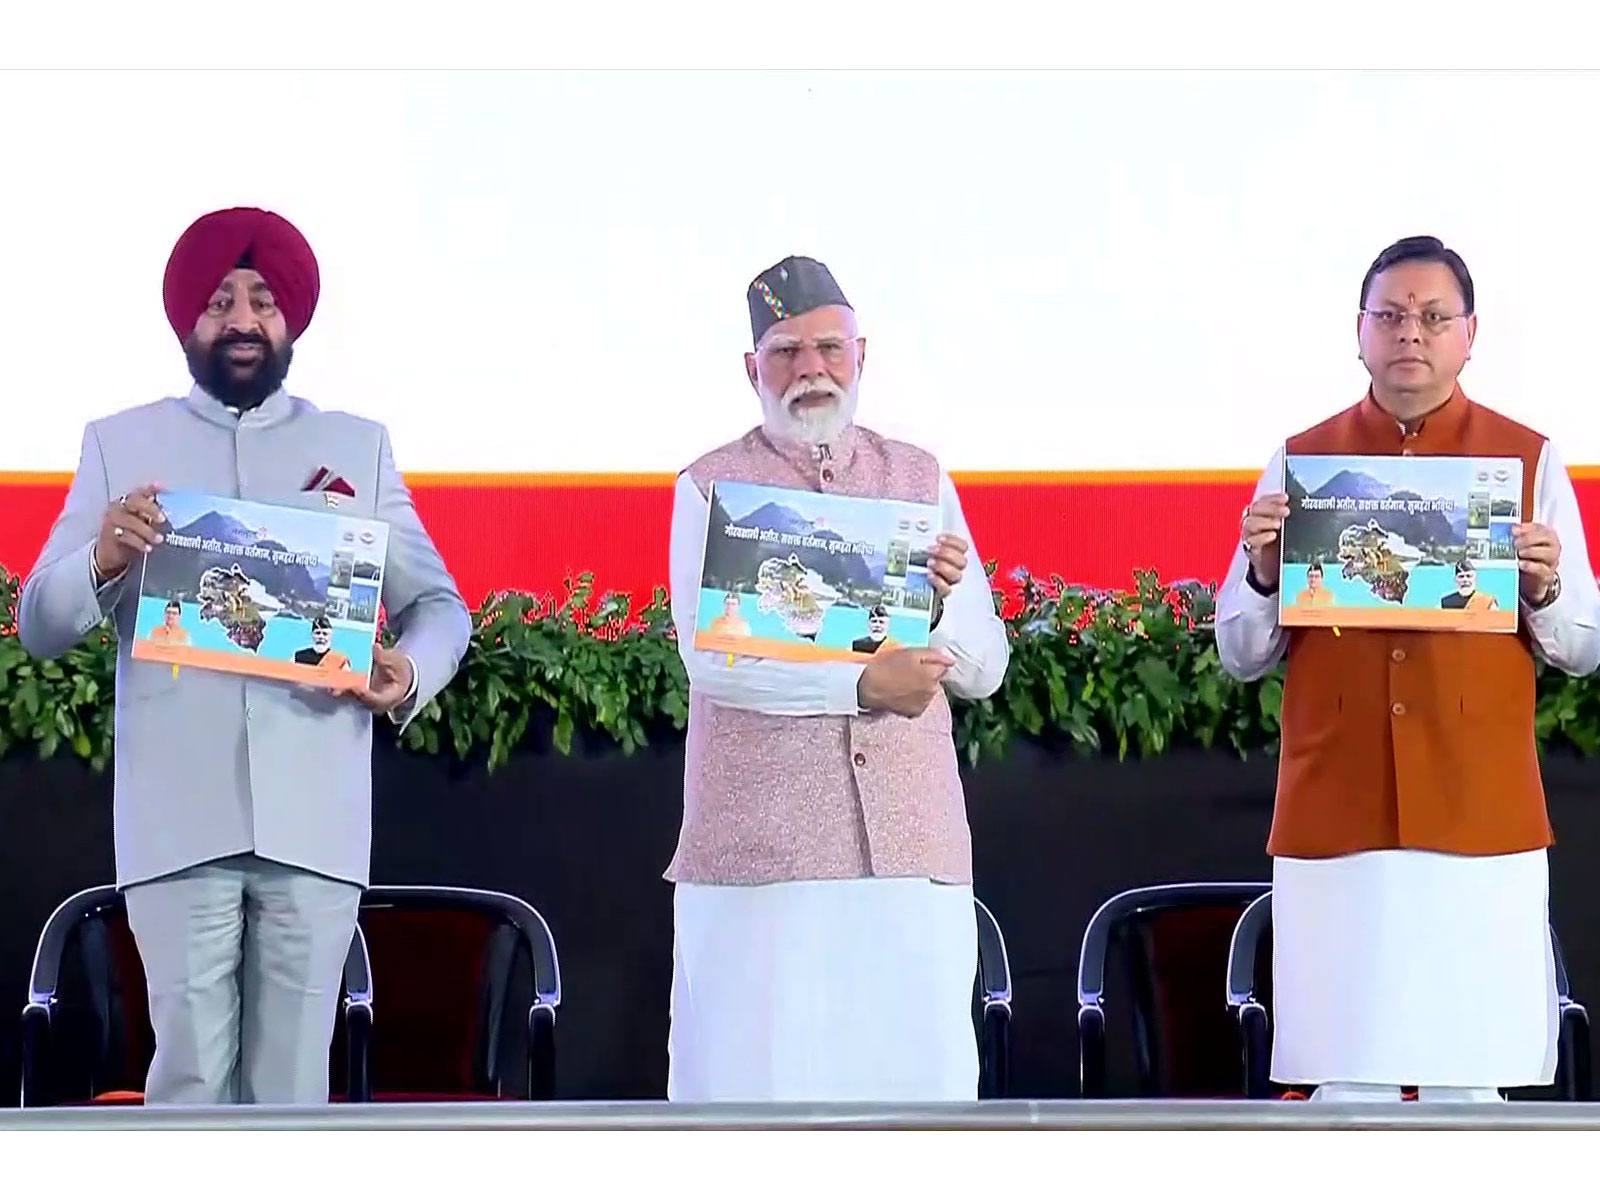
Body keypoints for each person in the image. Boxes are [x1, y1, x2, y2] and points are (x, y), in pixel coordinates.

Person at [17, 206, 472, 1106]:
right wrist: (104, 557)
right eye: (219, 301)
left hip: (316, 826)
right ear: (189, 320)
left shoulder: (355, 446)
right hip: (176, 825)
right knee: (185, 1085)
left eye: (262, 301)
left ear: (290, 319)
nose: (241, 320)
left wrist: (408, 670)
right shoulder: (120, 443)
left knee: (293, 1096)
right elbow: (40, 621)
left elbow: (440, 608)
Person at [1216, 235, 1600, 1103]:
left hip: (1479, 821)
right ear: (1359, 332)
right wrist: (1266, 573)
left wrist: (1543, 591)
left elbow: (1583, 644)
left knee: (1474, 1090)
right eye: (1389, 317)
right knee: (1346, 1091)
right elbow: (1238, 652)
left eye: (1433, 317)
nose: (1410, 335)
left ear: (1470, 335)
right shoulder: (1302, 461)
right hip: (1337, 819)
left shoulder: (1527, 462)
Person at [664, 254, 1010, 1101]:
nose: (809, 370)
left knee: (916, 1109)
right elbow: (712, 661)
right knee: (758, 1101)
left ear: (863, 356)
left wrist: (932, 613)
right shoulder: (710, 487)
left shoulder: (920, 478)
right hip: (762, 860)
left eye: (828, 348)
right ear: (752, 369)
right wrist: (857, 687)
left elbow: (985, 668)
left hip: (909, 855)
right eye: (785, 353)